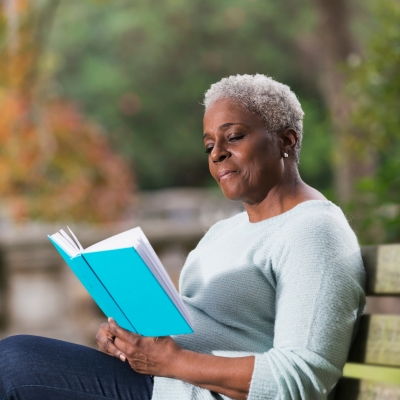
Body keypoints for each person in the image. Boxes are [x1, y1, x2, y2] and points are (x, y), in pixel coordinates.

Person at [0, 74, 365, 400]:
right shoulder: (225, 231)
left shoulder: (314, 233)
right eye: (209, 146)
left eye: (233, 137)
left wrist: (171, 360)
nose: (218, 154)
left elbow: (302, 378)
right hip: (166, 381)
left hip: (182, 388)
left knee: (14, 364)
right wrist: (128, 340)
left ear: (287, 140)